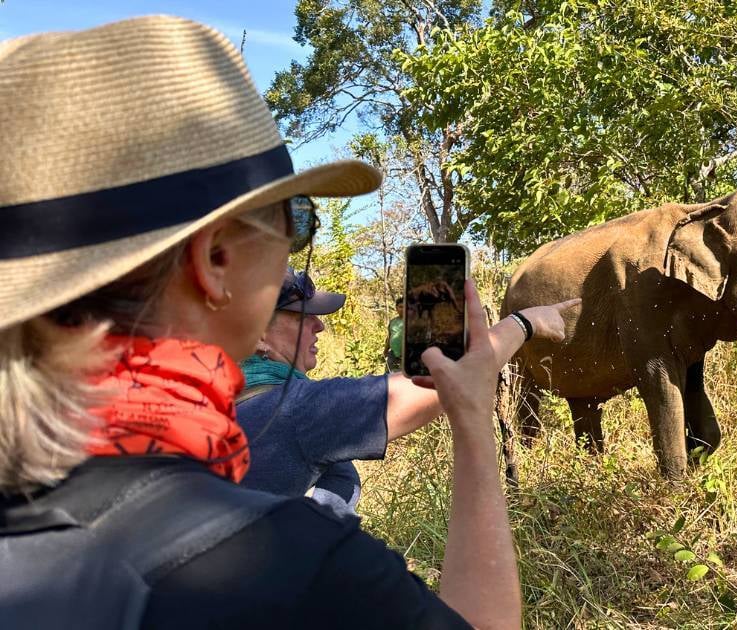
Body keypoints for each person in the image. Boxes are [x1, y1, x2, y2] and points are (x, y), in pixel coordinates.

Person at [0, 16, 534, 628]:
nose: (293, 246)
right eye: (294, 218)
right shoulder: (294, 570)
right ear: (214, 259)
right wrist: (474, 417)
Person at [238, 268, 576, 518]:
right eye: (301, 315)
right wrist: (525, 323)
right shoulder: (294, 411)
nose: (320, 325)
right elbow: (450, 381)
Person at [385, 296, 405, 372]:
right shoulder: (392, 322)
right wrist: (385, 350)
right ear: (396, 308)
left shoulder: (411, 321)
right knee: (388, 373)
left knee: (402, 375)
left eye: (404, 307)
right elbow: (390, 337)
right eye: (400, 307)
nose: (402, 309)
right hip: (393, 353)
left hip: (406, 355)